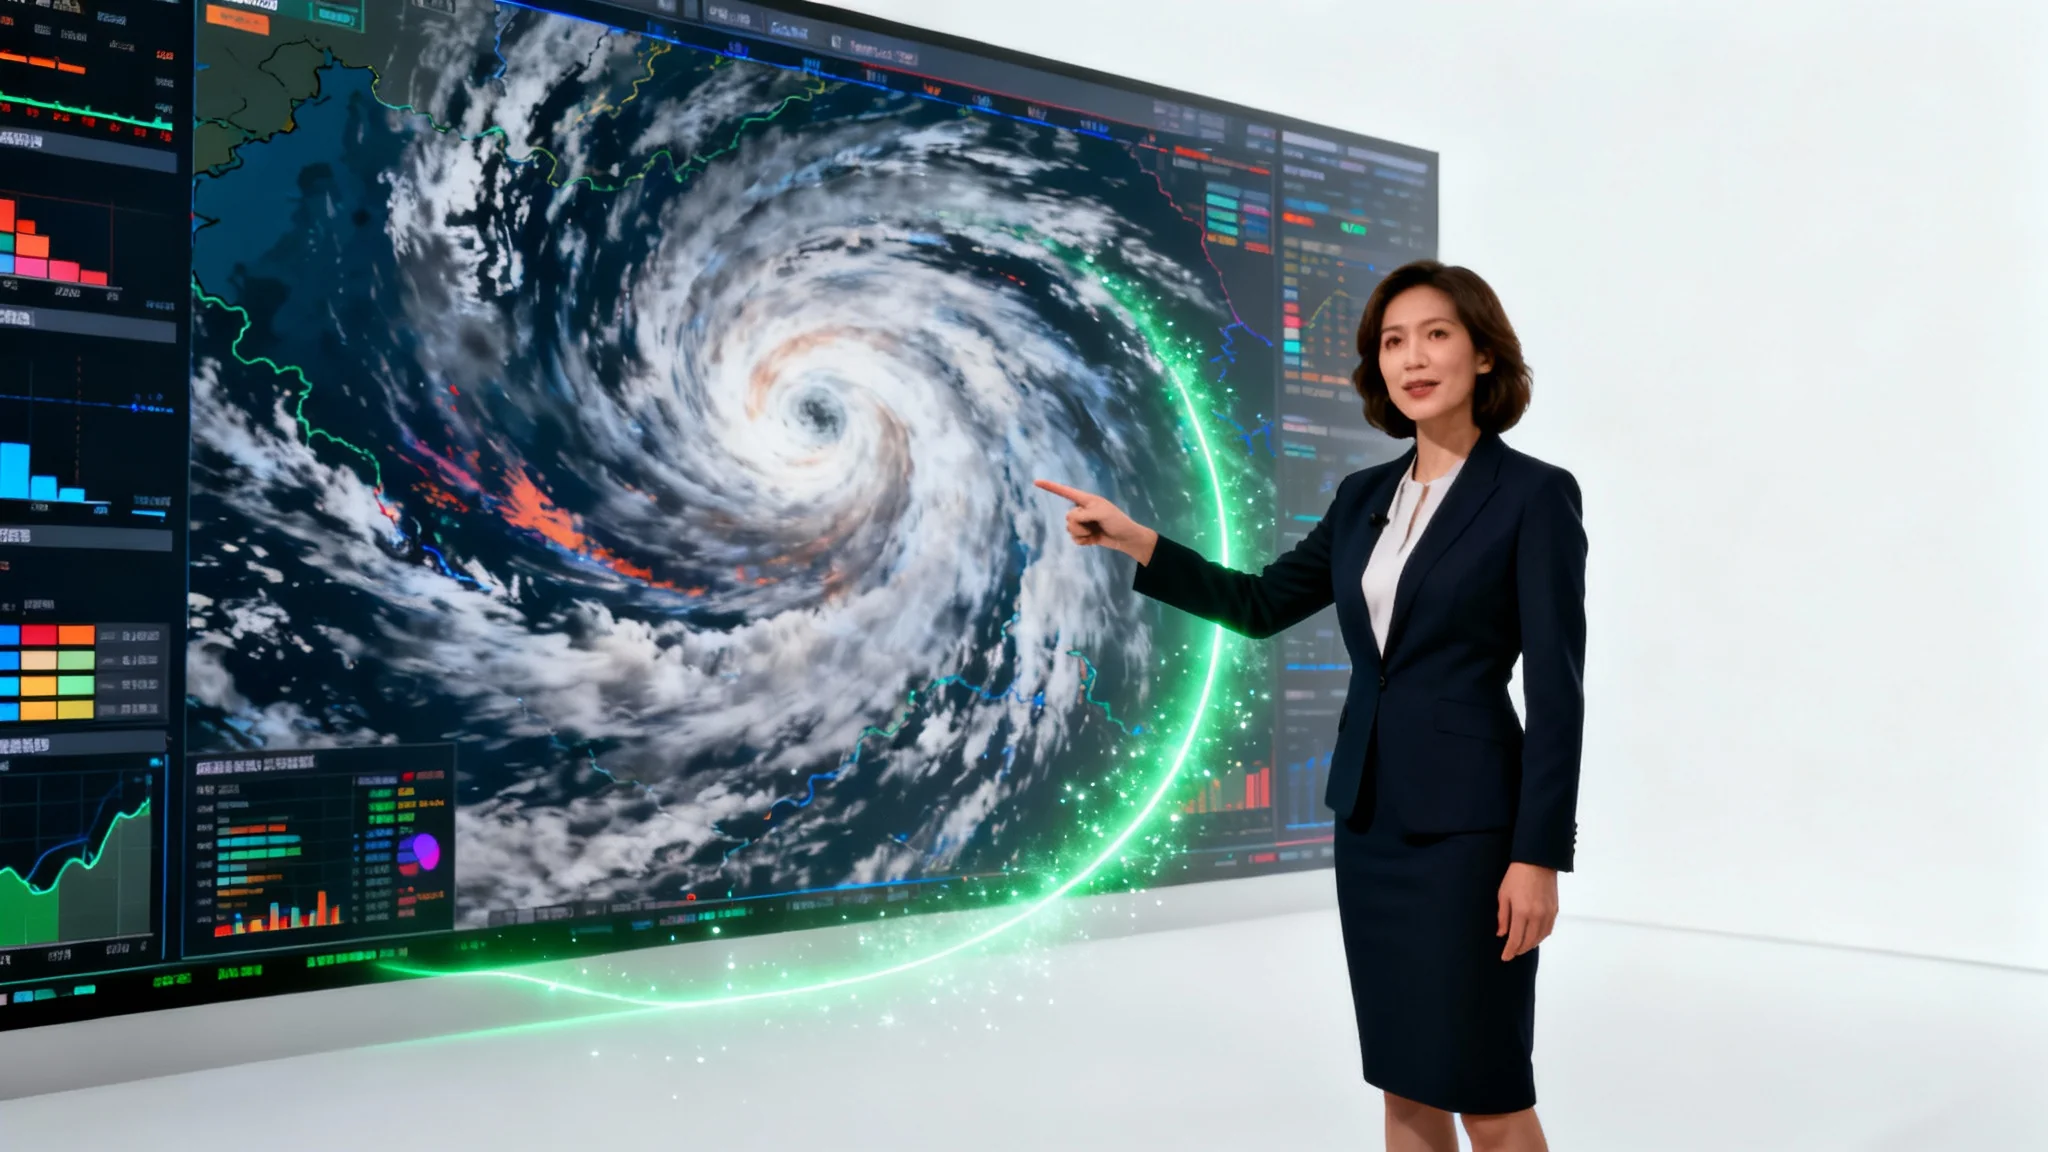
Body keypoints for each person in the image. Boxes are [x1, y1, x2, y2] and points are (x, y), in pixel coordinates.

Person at [1036, 260, 1585, 1152]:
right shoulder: (1364, 496)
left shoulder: (1534, 495)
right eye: (1393, 341)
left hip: (1471, 836)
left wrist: (1538, 859)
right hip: (1369, 824)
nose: (1413, 357)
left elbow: (1559, 692)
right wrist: (1136, 540)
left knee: (1486, 1087)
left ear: (1484, 353)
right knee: (1403, 1085)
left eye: (1436, 334)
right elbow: (1260, 606)